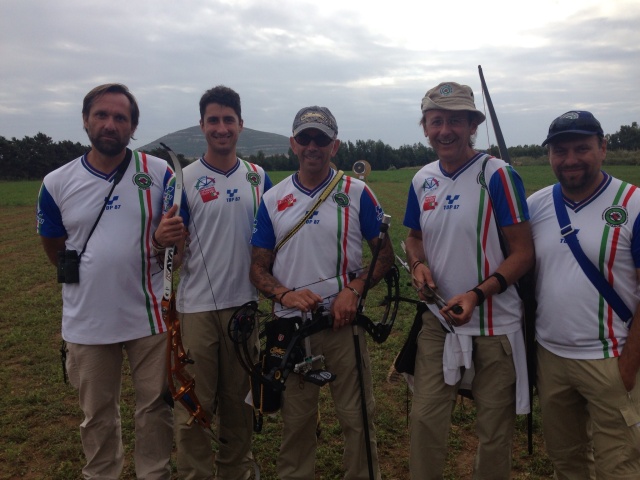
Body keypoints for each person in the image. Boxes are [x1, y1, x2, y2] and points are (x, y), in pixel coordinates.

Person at [36, 83, 175, 479]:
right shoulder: (57, 182)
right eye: (102, 115)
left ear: (133, 127)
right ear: (85, 120)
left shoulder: (159, 172)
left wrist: (164, 241)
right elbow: (54, 245)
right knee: (96, 415)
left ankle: (154, 474)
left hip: (149, 317)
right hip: (87, 319)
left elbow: (171, 243)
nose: (110, 124)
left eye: (120, 117)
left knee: (155, 408)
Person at [249, 106, 394, 480]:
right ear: (293, 144)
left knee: (357, 417)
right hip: (294, 331)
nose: (313, 146)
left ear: (335, 145)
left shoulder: (357, 192)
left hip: (343, 325)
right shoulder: (272, 199)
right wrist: (284, 295)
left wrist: (356, 289)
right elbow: (257, 268)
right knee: (296, 424)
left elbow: (384, 255)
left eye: (322, 139)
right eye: (306, 138)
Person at [402, 81, 534, 479]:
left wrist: (478, 294)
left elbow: (523, 253)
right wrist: (417, 265)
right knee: (425, 420)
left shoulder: (498, 175)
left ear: (472, 126)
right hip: (438, 322)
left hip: (495, 327)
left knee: (493, 432)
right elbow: (413, 237)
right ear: (425, 127)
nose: (446, 130)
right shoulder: (422, 179)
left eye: (456, 121)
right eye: (436, 120)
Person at [155, 85, 272, 480]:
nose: (221, 128)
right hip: (196, 310)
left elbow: (271, 245)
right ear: (202, 125)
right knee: (194, 404)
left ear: (241, 125)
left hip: (245, 307)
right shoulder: (184, 180)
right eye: (213, 121)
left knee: (240, 403)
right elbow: (171, 257)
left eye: (228, 120)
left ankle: (236, 471)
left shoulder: (259, 177)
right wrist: (168, 239)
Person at [528, 110, 640, 479]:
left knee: (620, 466)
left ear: (603, 148)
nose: (571, 159)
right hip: (552, 357)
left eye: (582, 148)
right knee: (567, 463)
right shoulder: (537, 205)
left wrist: (627, 367)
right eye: (561, 151)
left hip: (612, 357)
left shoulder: (633, 204)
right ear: (550, 155)